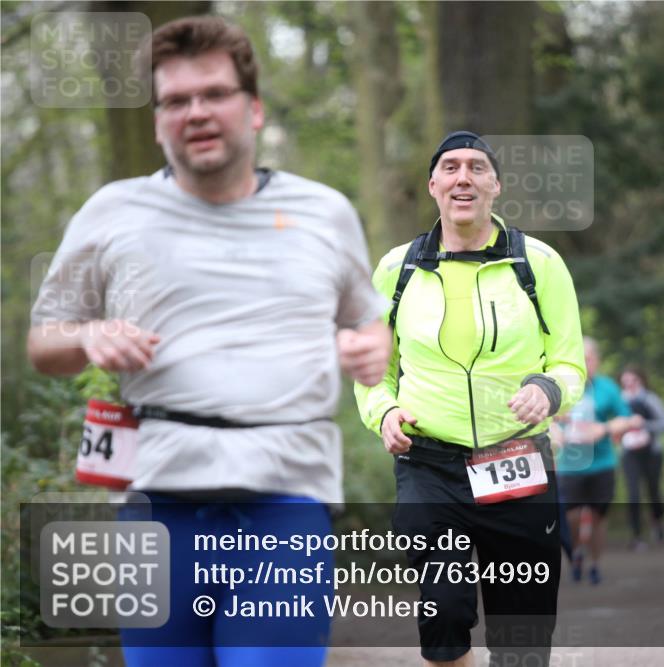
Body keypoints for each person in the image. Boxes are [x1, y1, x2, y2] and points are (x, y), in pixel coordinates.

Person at [28, 16, 390, 667]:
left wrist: (370, 348)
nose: (195, 112)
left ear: (253, 108)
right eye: (175, 100)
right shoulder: (113, 211)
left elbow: (369, 321)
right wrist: (89, 333)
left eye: (214, 93)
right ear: (158, 120)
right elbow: (44, 344)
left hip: (284, 501)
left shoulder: (325, 213)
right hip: (156, 504)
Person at [354, 131, 586, 667]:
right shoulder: (396, 269)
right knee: (443, 617)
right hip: (430, 465)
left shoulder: (539, 263)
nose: (464, 177)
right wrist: (383, 412)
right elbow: (373, 370)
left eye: (477, 168)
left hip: (516, 459)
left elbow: (569, 363)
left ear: (496, 186)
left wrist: (547, 389)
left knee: (522, 632)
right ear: (432, 185)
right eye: (451, 167)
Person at [555, 337, 639, 584]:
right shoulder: (560, 387)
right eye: (580, 358)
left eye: (589, 358)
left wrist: (603, 429)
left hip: (602, 463)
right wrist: (557, 430)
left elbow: (629, 419)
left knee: (598, 516)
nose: (585, 363)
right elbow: (546, 419)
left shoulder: (607, 388)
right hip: (570, 464)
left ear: (597, 361)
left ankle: (595, 564)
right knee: (571, 516)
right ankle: (576, 554)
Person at [619, 365, 664, 550]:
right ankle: (636, 534)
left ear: (641, 380)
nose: (629, 384)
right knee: (633, 493)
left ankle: (658, 524)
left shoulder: (651, 399)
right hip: (629, 453)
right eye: (625, 381)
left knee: (653, 490)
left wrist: (644, 425)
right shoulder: (619, 401)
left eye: (633, 380)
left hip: (652, 453)